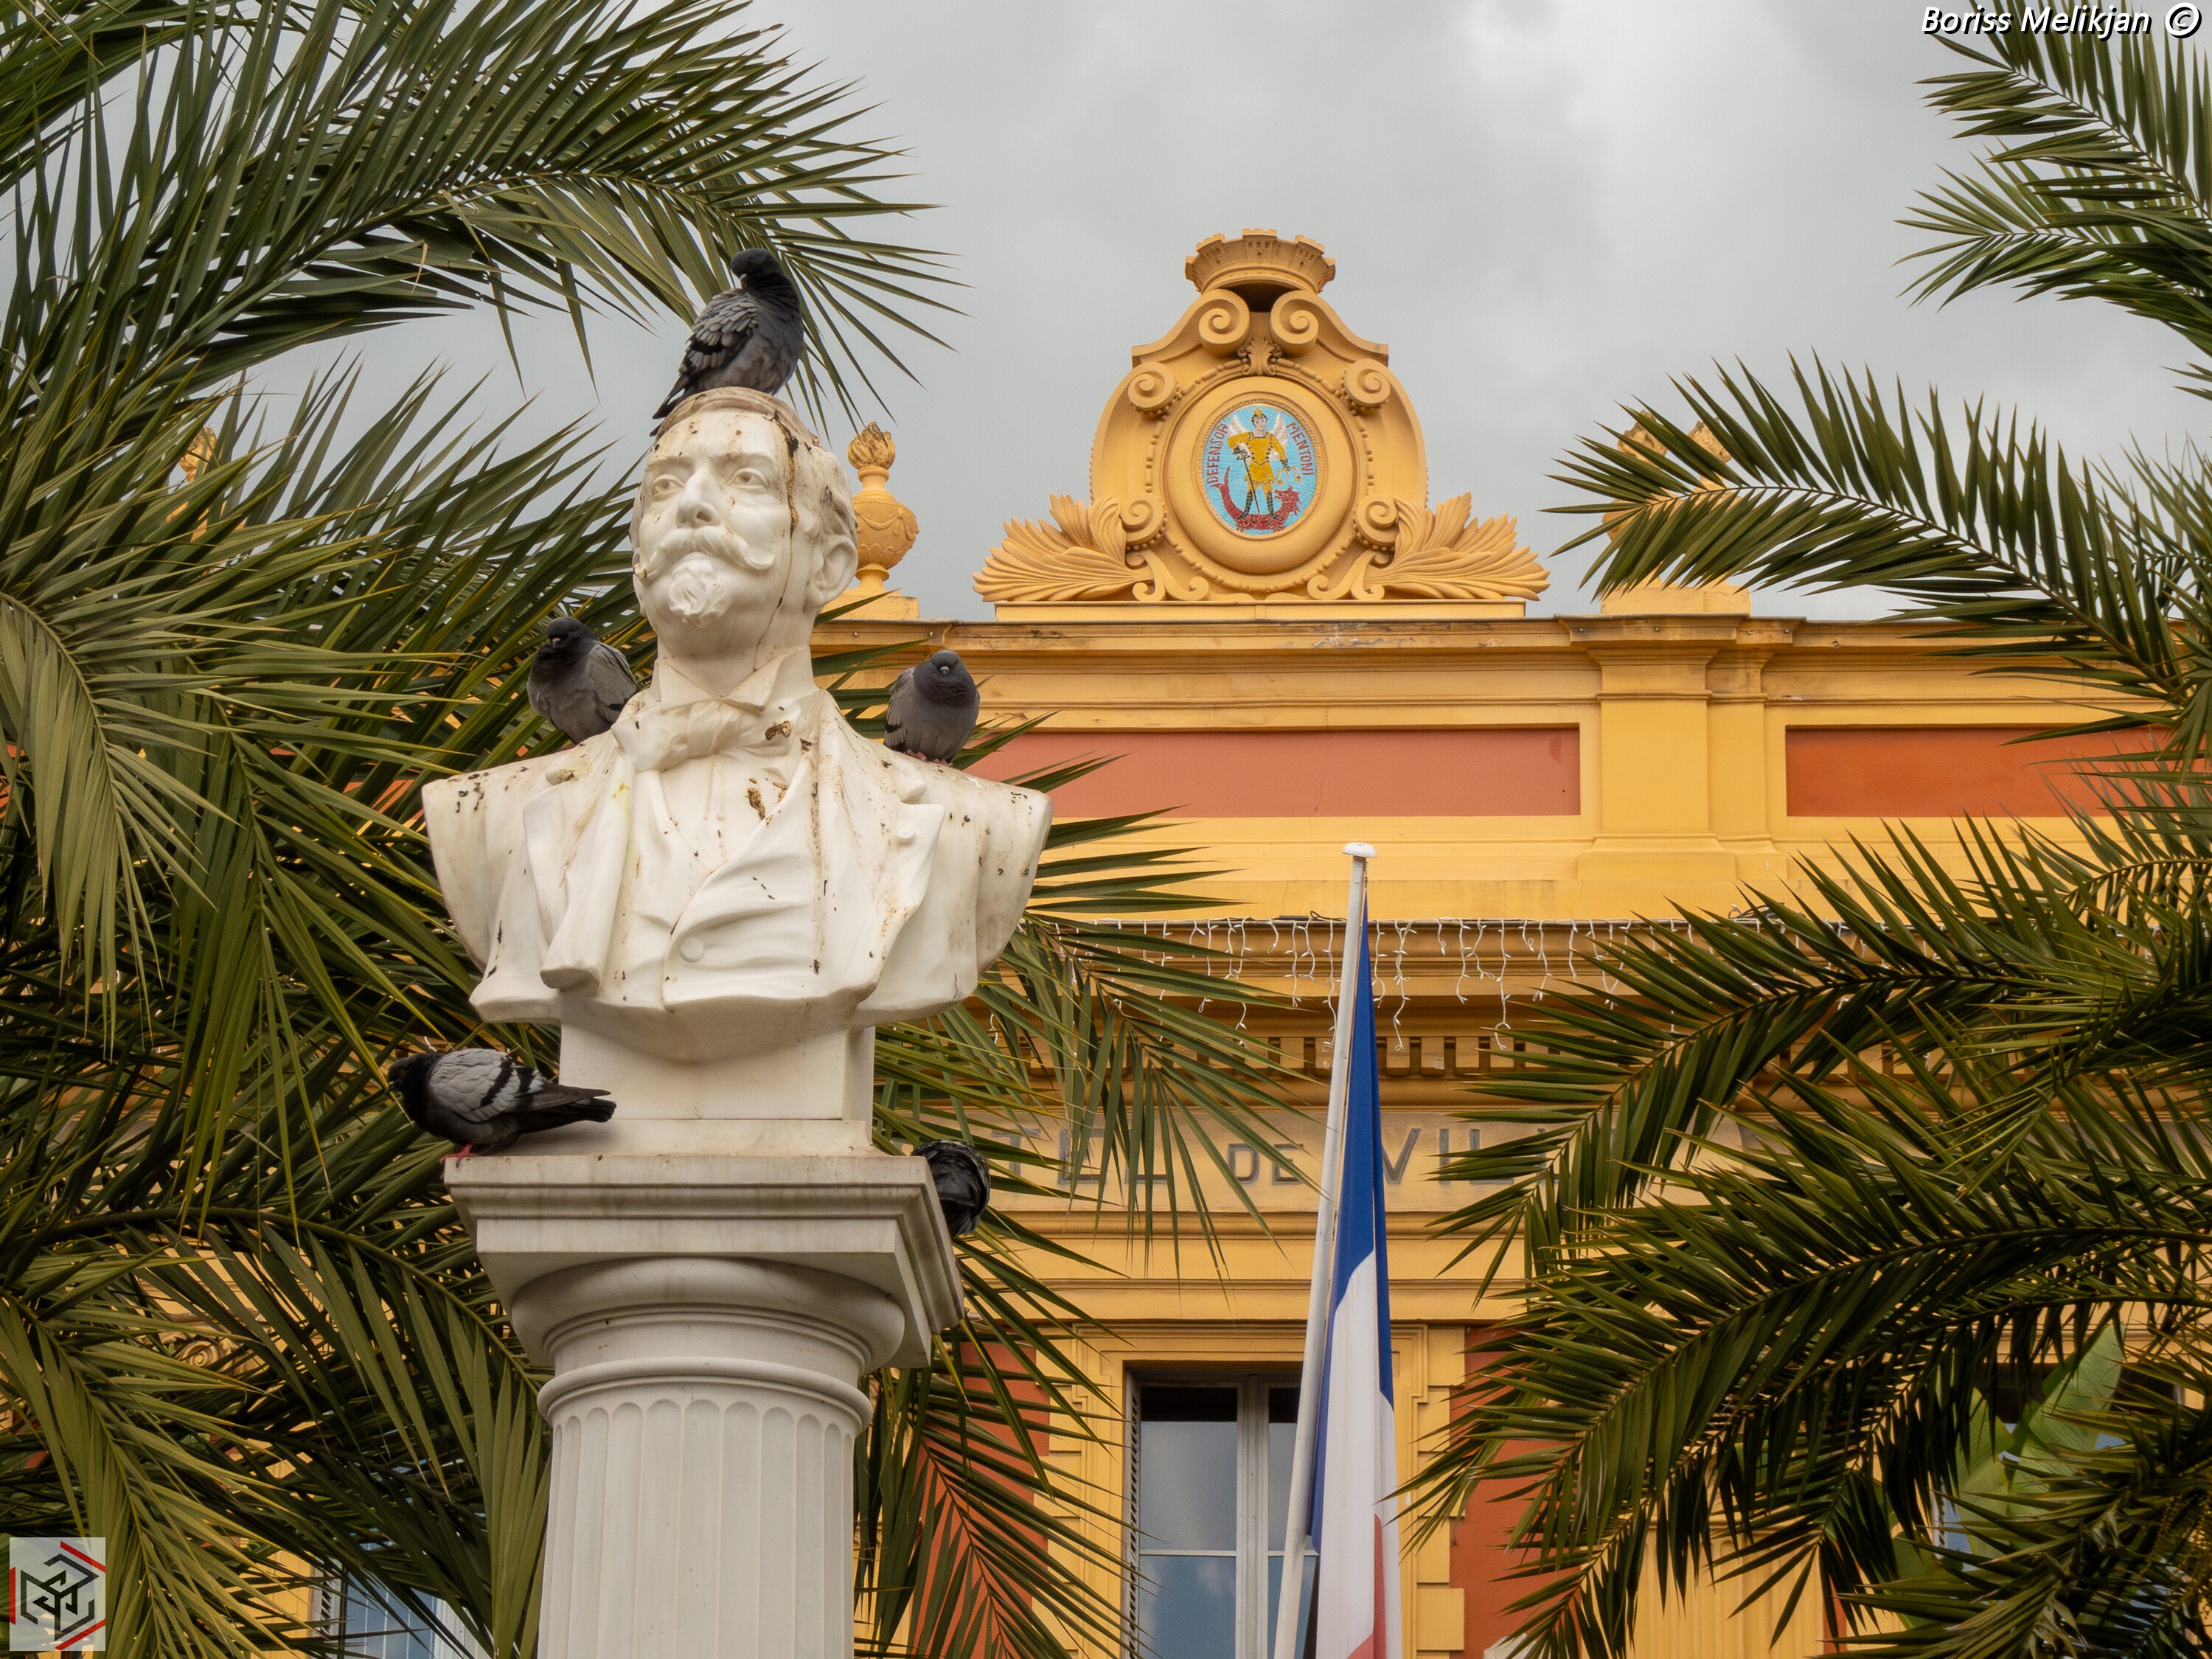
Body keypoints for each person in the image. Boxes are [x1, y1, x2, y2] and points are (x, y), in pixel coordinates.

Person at [422, 389, 1051, 1076]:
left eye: (746, 479)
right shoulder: (488, 817)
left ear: (830, 564)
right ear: (638, 559)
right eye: (666, 486)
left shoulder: (974, 827)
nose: (693, 504)